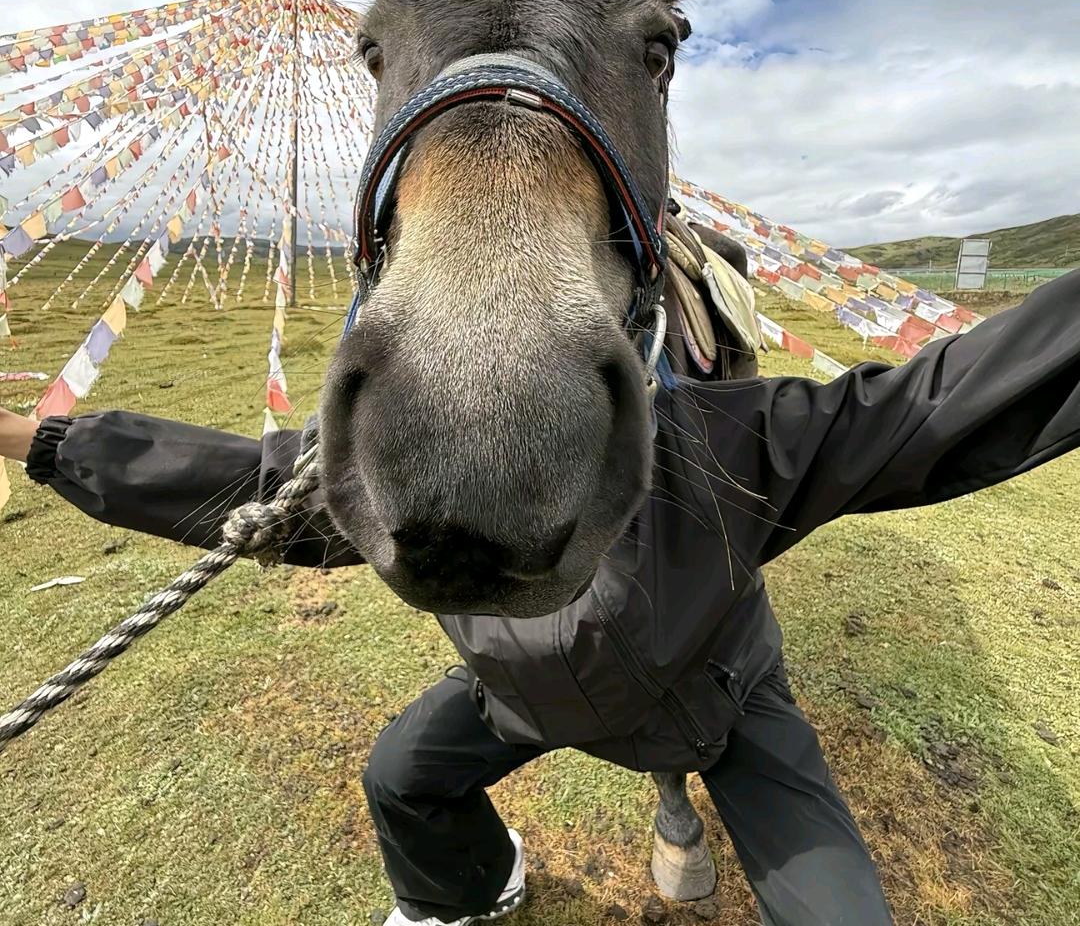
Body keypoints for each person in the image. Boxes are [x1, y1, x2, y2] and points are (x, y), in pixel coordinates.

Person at [4, 267, 1079, 926]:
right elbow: (250, 485)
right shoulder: (416, 461)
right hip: (519, 694)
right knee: (402, 778)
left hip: (719, 697)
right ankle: (468, 889)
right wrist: (42, 440)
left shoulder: (731, 439)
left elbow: (929, 402)